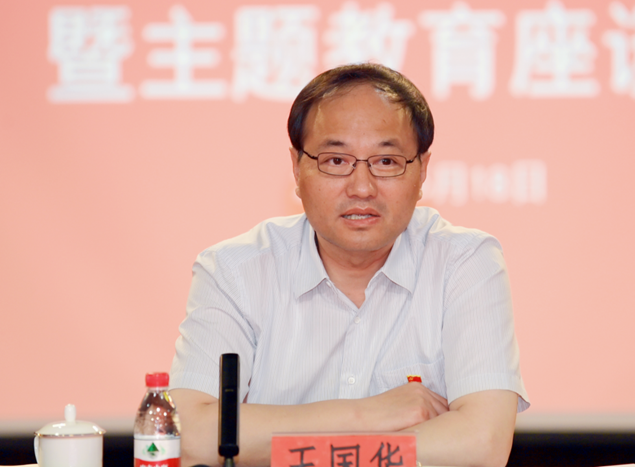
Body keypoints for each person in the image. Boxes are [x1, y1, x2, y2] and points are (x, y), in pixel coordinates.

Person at [169, 63, 529, 467]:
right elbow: (187, 436)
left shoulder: (464, 263)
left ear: (422, 170)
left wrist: (292, 445)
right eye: (336, 161)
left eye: (387, 161)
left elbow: (482, 445)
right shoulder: (234, 270)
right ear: (297, 167)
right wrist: (368, 415)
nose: (361, 187)